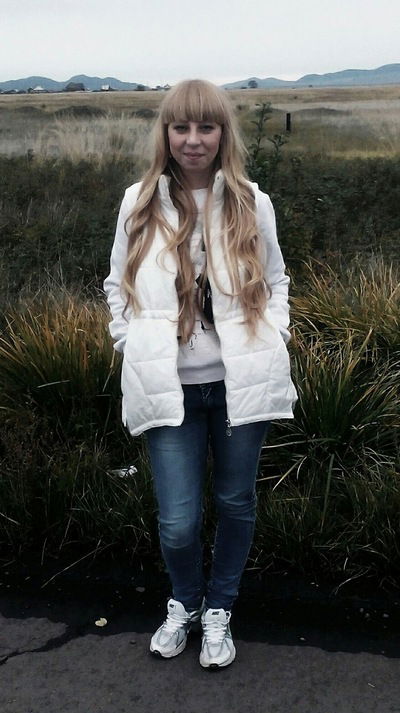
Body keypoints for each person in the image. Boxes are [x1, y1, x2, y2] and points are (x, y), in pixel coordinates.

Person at [103, 79, 297, 669]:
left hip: (241, 384)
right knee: (178, 522)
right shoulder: (139, 201)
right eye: (181, 127)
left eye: (206, 127)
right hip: (170, 387)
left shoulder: (251, 201)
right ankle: (185, 602)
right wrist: (131, 341)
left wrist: (273, 335)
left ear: (222, 134)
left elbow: (277, 280)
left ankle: (219, 608)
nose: (193, 140)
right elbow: (117, 285)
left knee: (236, 502)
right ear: (165, 133)